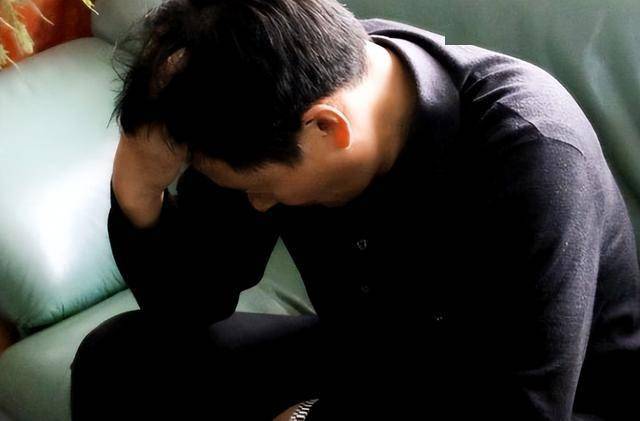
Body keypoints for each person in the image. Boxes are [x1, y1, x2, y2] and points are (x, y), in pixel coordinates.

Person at [70, 0, 640, 420]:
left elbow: (521, 406)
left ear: (327, 128)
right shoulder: (262, 93)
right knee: (121, 360)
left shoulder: (533, 151)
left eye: (262, 189)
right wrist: (137, 187)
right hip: (375, 353)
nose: (256, 205)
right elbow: (191, 304)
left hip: (533, 391)